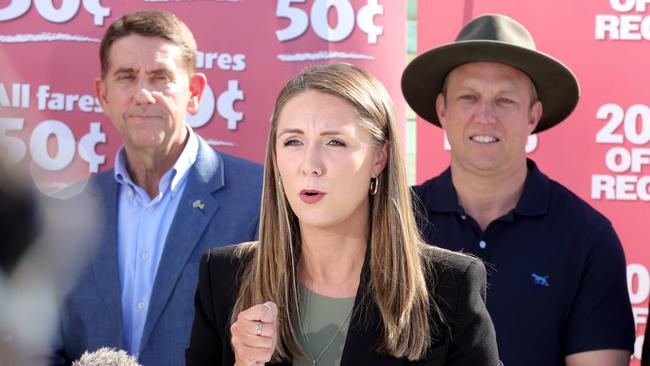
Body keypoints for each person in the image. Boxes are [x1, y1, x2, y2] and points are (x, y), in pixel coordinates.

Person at [185, 62, 501, 366]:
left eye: (335, 142)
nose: (310, 164)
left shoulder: (449, 287)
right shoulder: (224, 278)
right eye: (293, 141)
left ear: (380, 157)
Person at [402, 13, 635, 366]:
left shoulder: (588, 237)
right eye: (468, 97)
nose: (485, 116)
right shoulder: (393, 220)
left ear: (532, 115)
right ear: (442, 109)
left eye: (505, 100)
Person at [51, 10, 263, 366]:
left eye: (160, 77)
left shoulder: (258, 199)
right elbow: (43, 346)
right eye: (126, 77)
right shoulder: (65, 211)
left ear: (194, 92)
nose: (143, 94)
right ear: (103, 94)